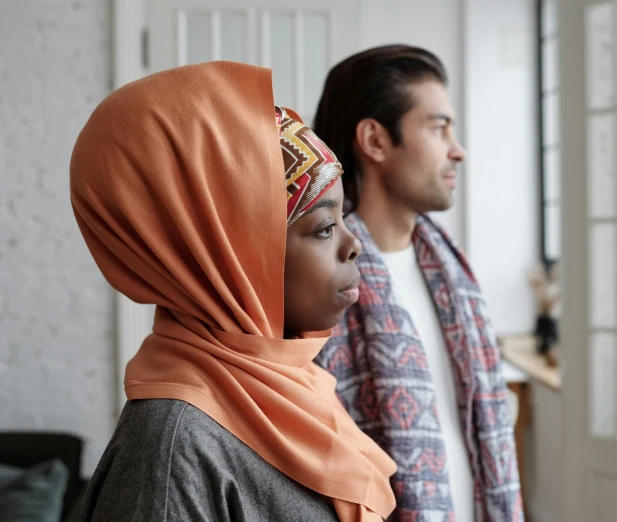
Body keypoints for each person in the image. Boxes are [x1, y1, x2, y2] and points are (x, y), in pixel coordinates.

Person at [70, 61, 396, 521]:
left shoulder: (295, 387)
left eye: (343, 218)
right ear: (228, 251)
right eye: (324, 228)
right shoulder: (172, 448)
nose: (354, 244)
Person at [313, 45, 524, 522]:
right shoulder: (320, 284)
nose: (458, 149)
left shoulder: (450, 272)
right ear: (375, 140)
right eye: (438, 127)